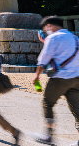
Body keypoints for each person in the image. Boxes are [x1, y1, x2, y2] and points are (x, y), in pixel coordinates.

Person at [32, 16, 79, 145]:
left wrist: (36, 76)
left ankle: (48, 136)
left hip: (60, 78)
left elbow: (43, 60)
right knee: (77, 110)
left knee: (48, 103)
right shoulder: (74, 37)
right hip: (76, 78)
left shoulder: (53, 38)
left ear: (49, 26)